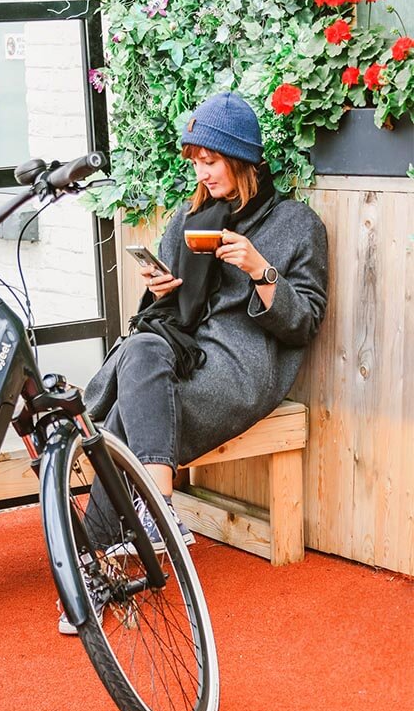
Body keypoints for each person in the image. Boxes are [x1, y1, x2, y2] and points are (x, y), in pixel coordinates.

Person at [58, 91, 328, 634]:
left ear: (242, 159)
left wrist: (261, 270)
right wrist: (160, 289)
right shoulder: (189, 216)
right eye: (196, 161)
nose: (203, 173)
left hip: (241, 368)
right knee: (139, 354)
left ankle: (93, 568)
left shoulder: (298, 225)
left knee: (119, 421)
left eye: (212, 160)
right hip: (179, 353)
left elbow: (305, 322)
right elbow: (165, 318)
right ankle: (158, 506)